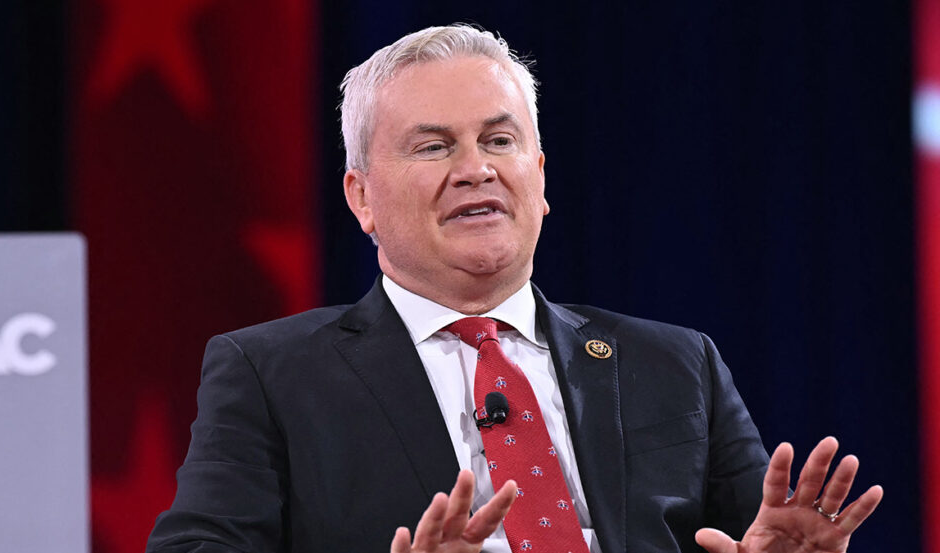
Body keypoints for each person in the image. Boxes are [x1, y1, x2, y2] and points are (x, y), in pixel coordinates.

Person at [146, 25, 882, 553]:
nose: (476, 169)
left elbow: (758, 535)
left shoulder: (677, 362)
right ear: (361, 197)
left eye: (499, 141)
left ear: (540, 175)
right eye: (434, 146)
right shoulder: (270, 374)